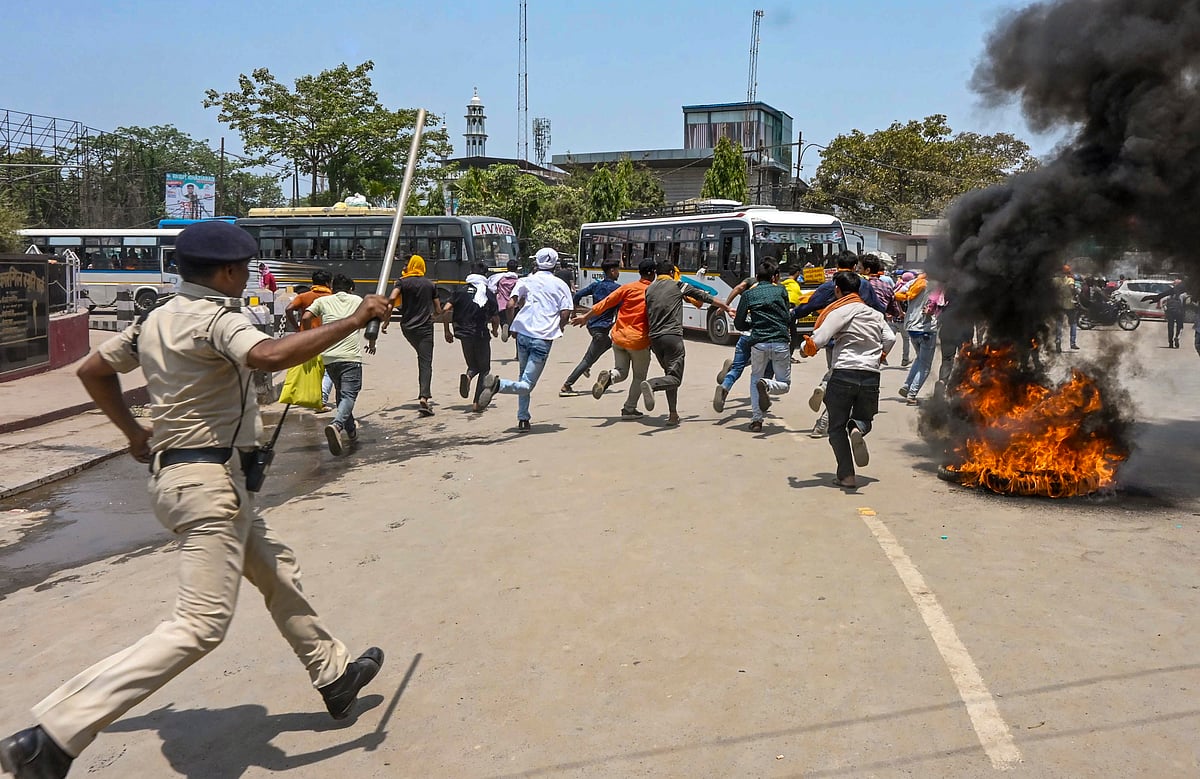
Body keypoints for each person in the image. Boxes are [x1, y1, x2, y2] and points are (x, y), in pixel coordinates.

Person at [0, 222, 388, 779]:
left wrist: (134, 434)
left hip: (186, 479)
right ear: (228, 272)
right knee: (199, 626)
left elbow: (93, 369)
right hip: (209, 487)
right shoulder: (218, 318)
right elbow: (270, 356)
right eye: (246, 268)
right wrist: (354, 319)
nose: (250, 275)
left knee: (277, 570)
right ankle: (53, 735)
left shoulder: (155, 318)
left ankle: (334, 674)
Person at [800, 270, 896, 490]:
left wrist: (805, 349)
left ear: (837, 290)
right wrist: (880, 356)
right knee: (865, 419)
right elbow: (890, 338)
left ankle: (847, 476)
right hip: (871, 375)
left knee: (836, 427)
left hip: (844, 373)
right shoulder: (874, 314)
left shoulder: (839, 311)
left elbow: (820, 339)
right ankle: (858, 429)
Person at [476, 247, 573, 431]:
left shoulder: (525, 281)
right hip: (542, 337)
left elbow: (511, 304)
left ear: (536, 262)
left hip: (523, 334)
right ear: (555, 264)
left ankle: (523, 417)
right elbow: (565, 312)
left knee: (522, 377)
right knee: (527, 384)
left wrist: (513, 326)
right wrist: (559, 327)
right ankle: (499, 385)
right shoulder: (561, 285)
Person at [640, 258, 733, 425]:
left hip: (654, 340)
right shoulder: (678, 285)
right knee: (675, 379)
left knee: (669, 375)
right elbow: (704, 296)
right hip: (672, 337)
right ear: (670, 273)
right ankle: (651, 385)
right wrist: (726, 307)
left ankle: (673, 414)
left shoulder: (649, 289)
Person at [571, 259, 656, 418]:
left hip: (618, 338)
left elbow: (605, 303)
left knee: (621, 372)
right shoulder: (652, 291)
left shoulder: (627, 288)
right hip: (638, 340)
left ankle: (610, 376)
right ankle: (629, 409)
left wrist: (585, 317)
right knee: (639, 377)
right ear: (652, 273)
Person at [304, 274, 369, 455]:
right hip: (350, 357)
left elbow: (306, 317)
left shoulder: (324, 301)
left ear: (332, 287)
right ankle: (337, 425)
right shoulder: (357, 300)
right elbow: (371, 319)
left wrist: (309, 338)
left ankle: (351, 432)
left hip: (329, 357)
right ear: (350, 289)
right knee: (349, 395)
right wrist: (371, 341)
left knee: (342, 394)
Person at [728, 261, 792, 432]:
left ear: (756, 277)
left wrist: (754, 324)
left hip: (758, 343)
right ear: (774, 277)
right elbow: (787, 317)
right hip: (780, 342)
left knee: (755, 378)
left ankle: (757, 421)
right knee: (784, 384)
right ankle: (768, 384)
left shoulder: (749, 295)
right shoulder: (781, 290)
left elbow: (739, 323)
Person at [384, 255, 442, 416]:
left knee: (421, 356)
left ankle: (424, 395)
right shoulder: (430, 285)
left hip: (407, 328)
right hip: (425, 329)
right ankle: (424, 398)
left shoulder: (402, 282)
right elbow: (438, 310)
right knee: (425, 362)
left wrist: (386, 321)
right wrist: (436, 316)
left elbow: (391, 298)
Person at [443, 262, 500, 411]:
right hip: (480, 334)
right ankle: (477, 403)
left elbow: (446, 309)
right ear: (485, 275)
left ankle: (468, 378)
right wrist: (495, 330)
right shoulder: (487, 293)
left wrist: (447, 331)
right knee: (485, 369)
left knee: (473, 365)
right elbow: (495, 317)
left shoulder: (460, 291)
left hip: (463, 335)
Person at [560, 259, 621, 396]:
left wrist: (574, 310)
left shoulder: (595, 285)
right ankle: (567, 385)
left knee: (609, 344)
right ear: (612, 271)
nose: (618, 272)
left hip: (592, 325)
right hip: (601, 328)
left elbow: (577, 295)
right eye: (617, 270)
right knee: (588, 358)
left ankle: (587, 367)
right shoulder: (617, 289)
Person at [285, 270, 335, 411]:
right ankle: (321, 400)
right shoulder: (332, 297)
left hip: (306, 337)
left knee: (308, 368)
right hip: (326, 337)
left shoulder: (304, 296)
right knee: (327, 369)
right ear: (327, 282)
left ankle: (303, 396)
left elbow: (288, 309)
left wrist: (296, 326)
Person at [895, 271, 942, 405]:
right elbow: (939, 304)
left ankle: (907, 385)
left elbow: (898, 294)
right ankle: (912, 394)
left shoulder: (914, 282)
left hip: (910, 327)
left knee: (920, 359)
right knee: (925, 366)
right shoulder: (936, 285)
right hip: (926, 329)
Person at [487, 259, 520, 342]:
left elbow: (493, 288)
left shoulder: (501, 279)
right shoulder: (517, 281)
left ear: (507, 267)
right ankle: (513, 331)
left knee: (503, 319)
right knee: (514, 321)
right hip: (514, 304)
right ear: (516, 268)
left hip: (501, 303)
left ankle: (505, 326)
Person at [1054, 264, 1079, 352]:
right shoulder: (1069, 279)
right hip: (1069, 304)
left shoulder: (1056, 280)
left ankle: (1058, 341)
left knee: (1059, 324)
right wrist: (1075, 292)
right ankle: (1072, 343)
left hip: (1059, 304)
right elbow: (1072, 288)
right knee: (1073, 323)